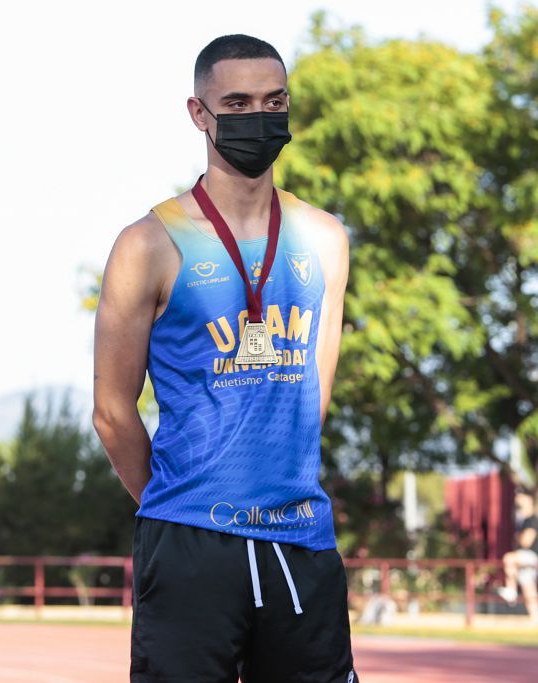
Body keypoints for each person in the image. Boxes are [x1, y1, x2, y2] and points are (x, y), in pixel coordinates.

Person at [93, 34, 357, 682]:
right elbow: (110, 412)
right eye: (235, 102)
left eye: (274, 101)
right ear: (198, 113)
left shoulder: (324, 238)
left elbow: (311, 395)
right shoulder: (147, 244)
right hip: (188, 543)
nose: (257, 118)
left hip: (300, 537)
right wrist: (174, 501)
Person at [498, 489, 538, 622]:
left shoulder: (532, 520)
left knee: (509, 558)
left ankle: (511, 590)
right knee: (528, 588)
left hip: (530, 556)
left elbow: (526, 541)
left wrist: (519, 537)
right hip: (527, 557)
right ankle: (536, 617)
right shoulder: (524, 520)